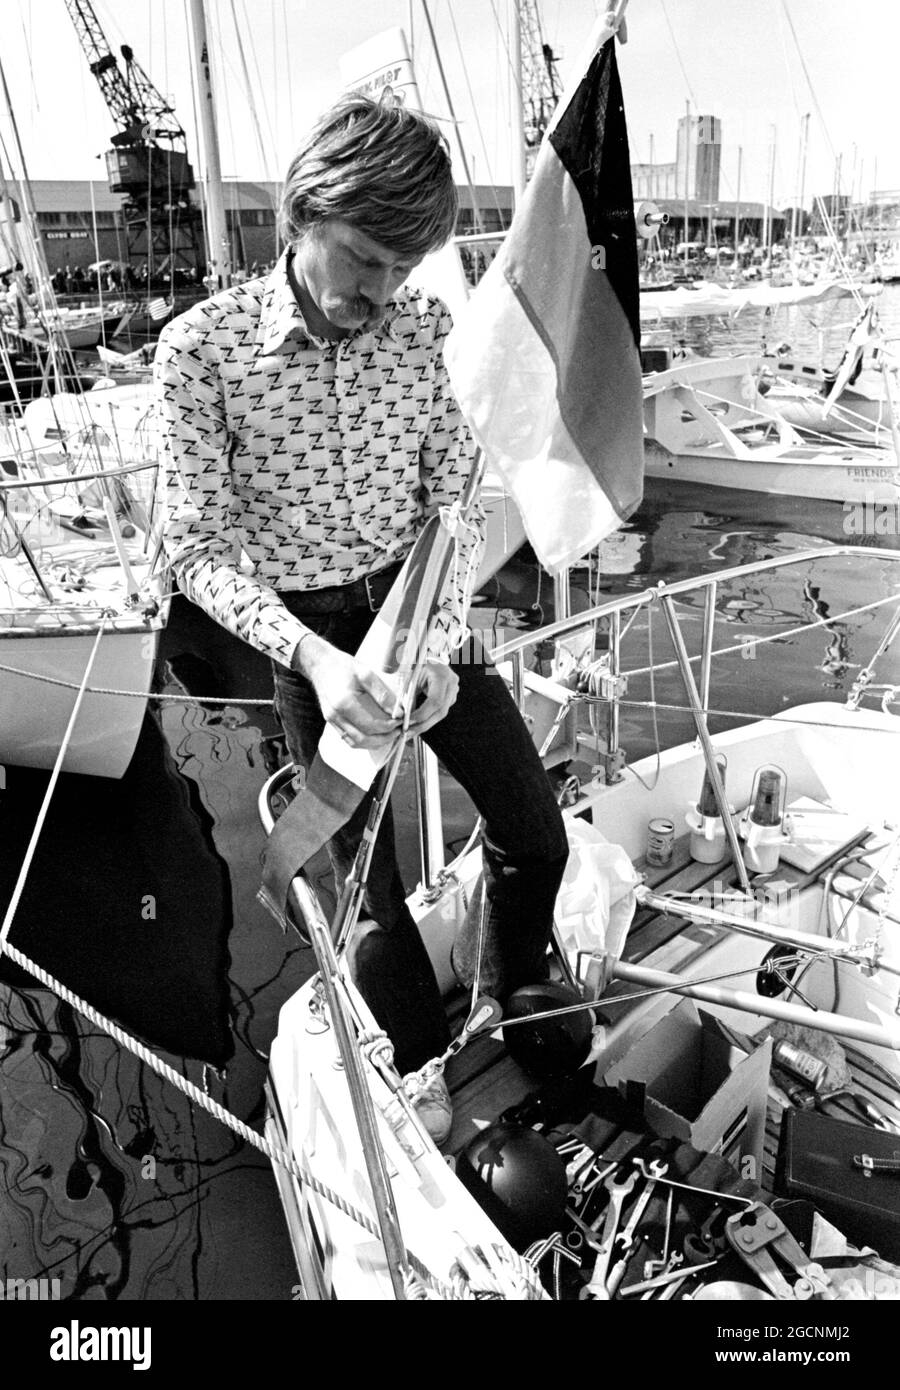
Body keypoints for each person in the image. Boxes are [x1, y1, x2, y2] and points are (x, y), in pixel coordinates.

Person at [154, 94, 568, 1143]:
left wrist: (429, 654)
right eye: (364, 260)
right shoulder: (201, 353)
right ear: (303, 216)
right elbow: (190, 548)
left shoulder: (431, 333)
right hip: (309, 643)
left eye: (402, 267)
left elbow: (455, 503)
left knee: (534, 832)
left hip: (417, 611)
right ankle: (437, 1081)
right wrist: (321, 662)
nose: (379, 293)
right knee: (373, 906)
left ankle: (511, 994)